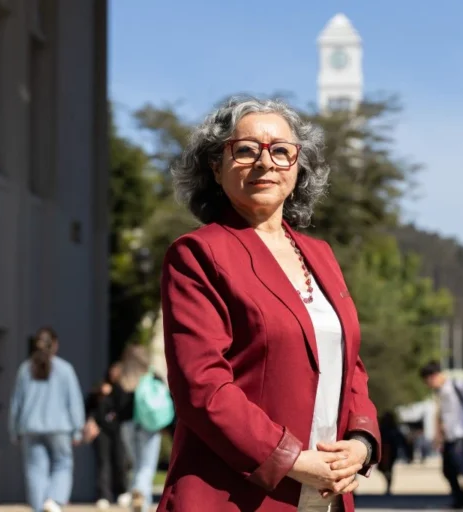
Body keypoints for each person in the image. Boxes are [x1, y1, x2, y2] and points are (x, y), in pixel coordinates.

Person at [157, 97, 381, 512]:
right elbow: (201, 386)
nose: (265, 163)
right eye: (245, 150)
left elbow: (351, 365)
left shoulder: (321, 256)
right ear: (215, 166)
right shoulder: (197, 255)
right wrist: (291, 458)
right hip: (234, 497)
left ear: (298, 166)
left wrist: (362, 441)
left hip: (325, 496)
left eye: (281, 150)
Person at [8, 327, 85, 512]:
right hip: (60, 428)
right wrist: (78, 429)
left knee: (35, 470)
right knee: (63, 464)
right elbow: (74, 402)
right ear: (55, 345)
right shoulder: (65, 369)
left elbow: (16, 403)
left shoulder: (25, 369)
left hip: (30, 427)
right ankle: (54, 499)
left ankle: (40, 508)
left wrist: (14, 430)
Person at [420, 361, 463, 509]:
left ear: (434, 376)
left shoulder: (457, 385)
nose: (428, 385)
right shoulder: (440, 392)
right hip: (450, 437)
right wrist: (438, 435)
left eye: (427, 381)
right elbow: (441, 415)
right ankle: (460, 499)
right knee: (448, 471)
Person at [117, 344, 169, 512]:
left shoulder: (123, 377)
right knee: (147, 465)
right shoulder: (153, 376)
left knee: (137, 464)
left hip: (127, 426)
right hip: (149, 426)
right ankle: (140, 495)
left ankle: (136, 495)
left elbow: (115, 404)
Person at [84, 363, 131, 509]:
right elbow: (89, 405)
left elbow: (125, 408)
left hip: (117, 430)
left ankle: (122, 491)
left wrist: (114, 391)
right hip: (101, 430)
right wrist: (100, 392)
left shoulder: (122, 389)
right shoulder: (99, 387)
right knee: (103, 463)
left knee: (120, 460)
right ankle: (104, 495)